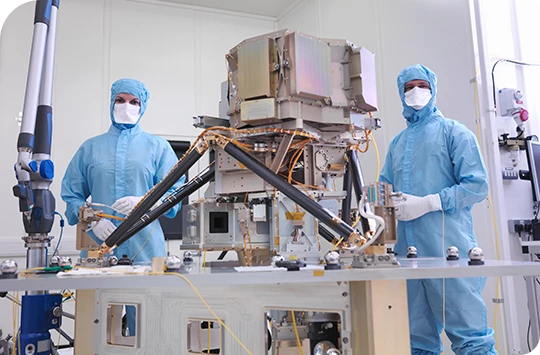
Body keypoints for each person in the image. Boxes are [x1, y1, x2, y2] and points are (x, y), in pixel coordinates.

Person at [379, 64, 497, 355]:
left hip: (448, 252)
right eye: (408, 87)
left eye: (421, 85)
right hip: (408, 257)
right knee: (416, 344)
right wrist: (374, 204)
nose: (415, 91)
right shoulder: (397, 144)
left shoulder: (454, 132)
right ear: (400, 93)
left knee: (472, 341)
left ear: (433, 89)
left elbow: (477, 186)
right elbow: (383, 191)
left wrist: (429, 202)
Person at [61, 78, 185, 335]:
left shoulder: (157, 147)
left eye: (134, 102)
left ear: (143, 106)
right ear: (111, 102)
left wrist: (146, 202)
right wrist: (92, 218)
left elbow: (176, 193)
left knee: (150, 329)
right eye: (120, 100)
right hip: (99, 251)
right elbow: (71, 196)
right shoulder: (90, 148)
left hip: (147, 249)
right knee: (97, 330)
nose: (126, 106)